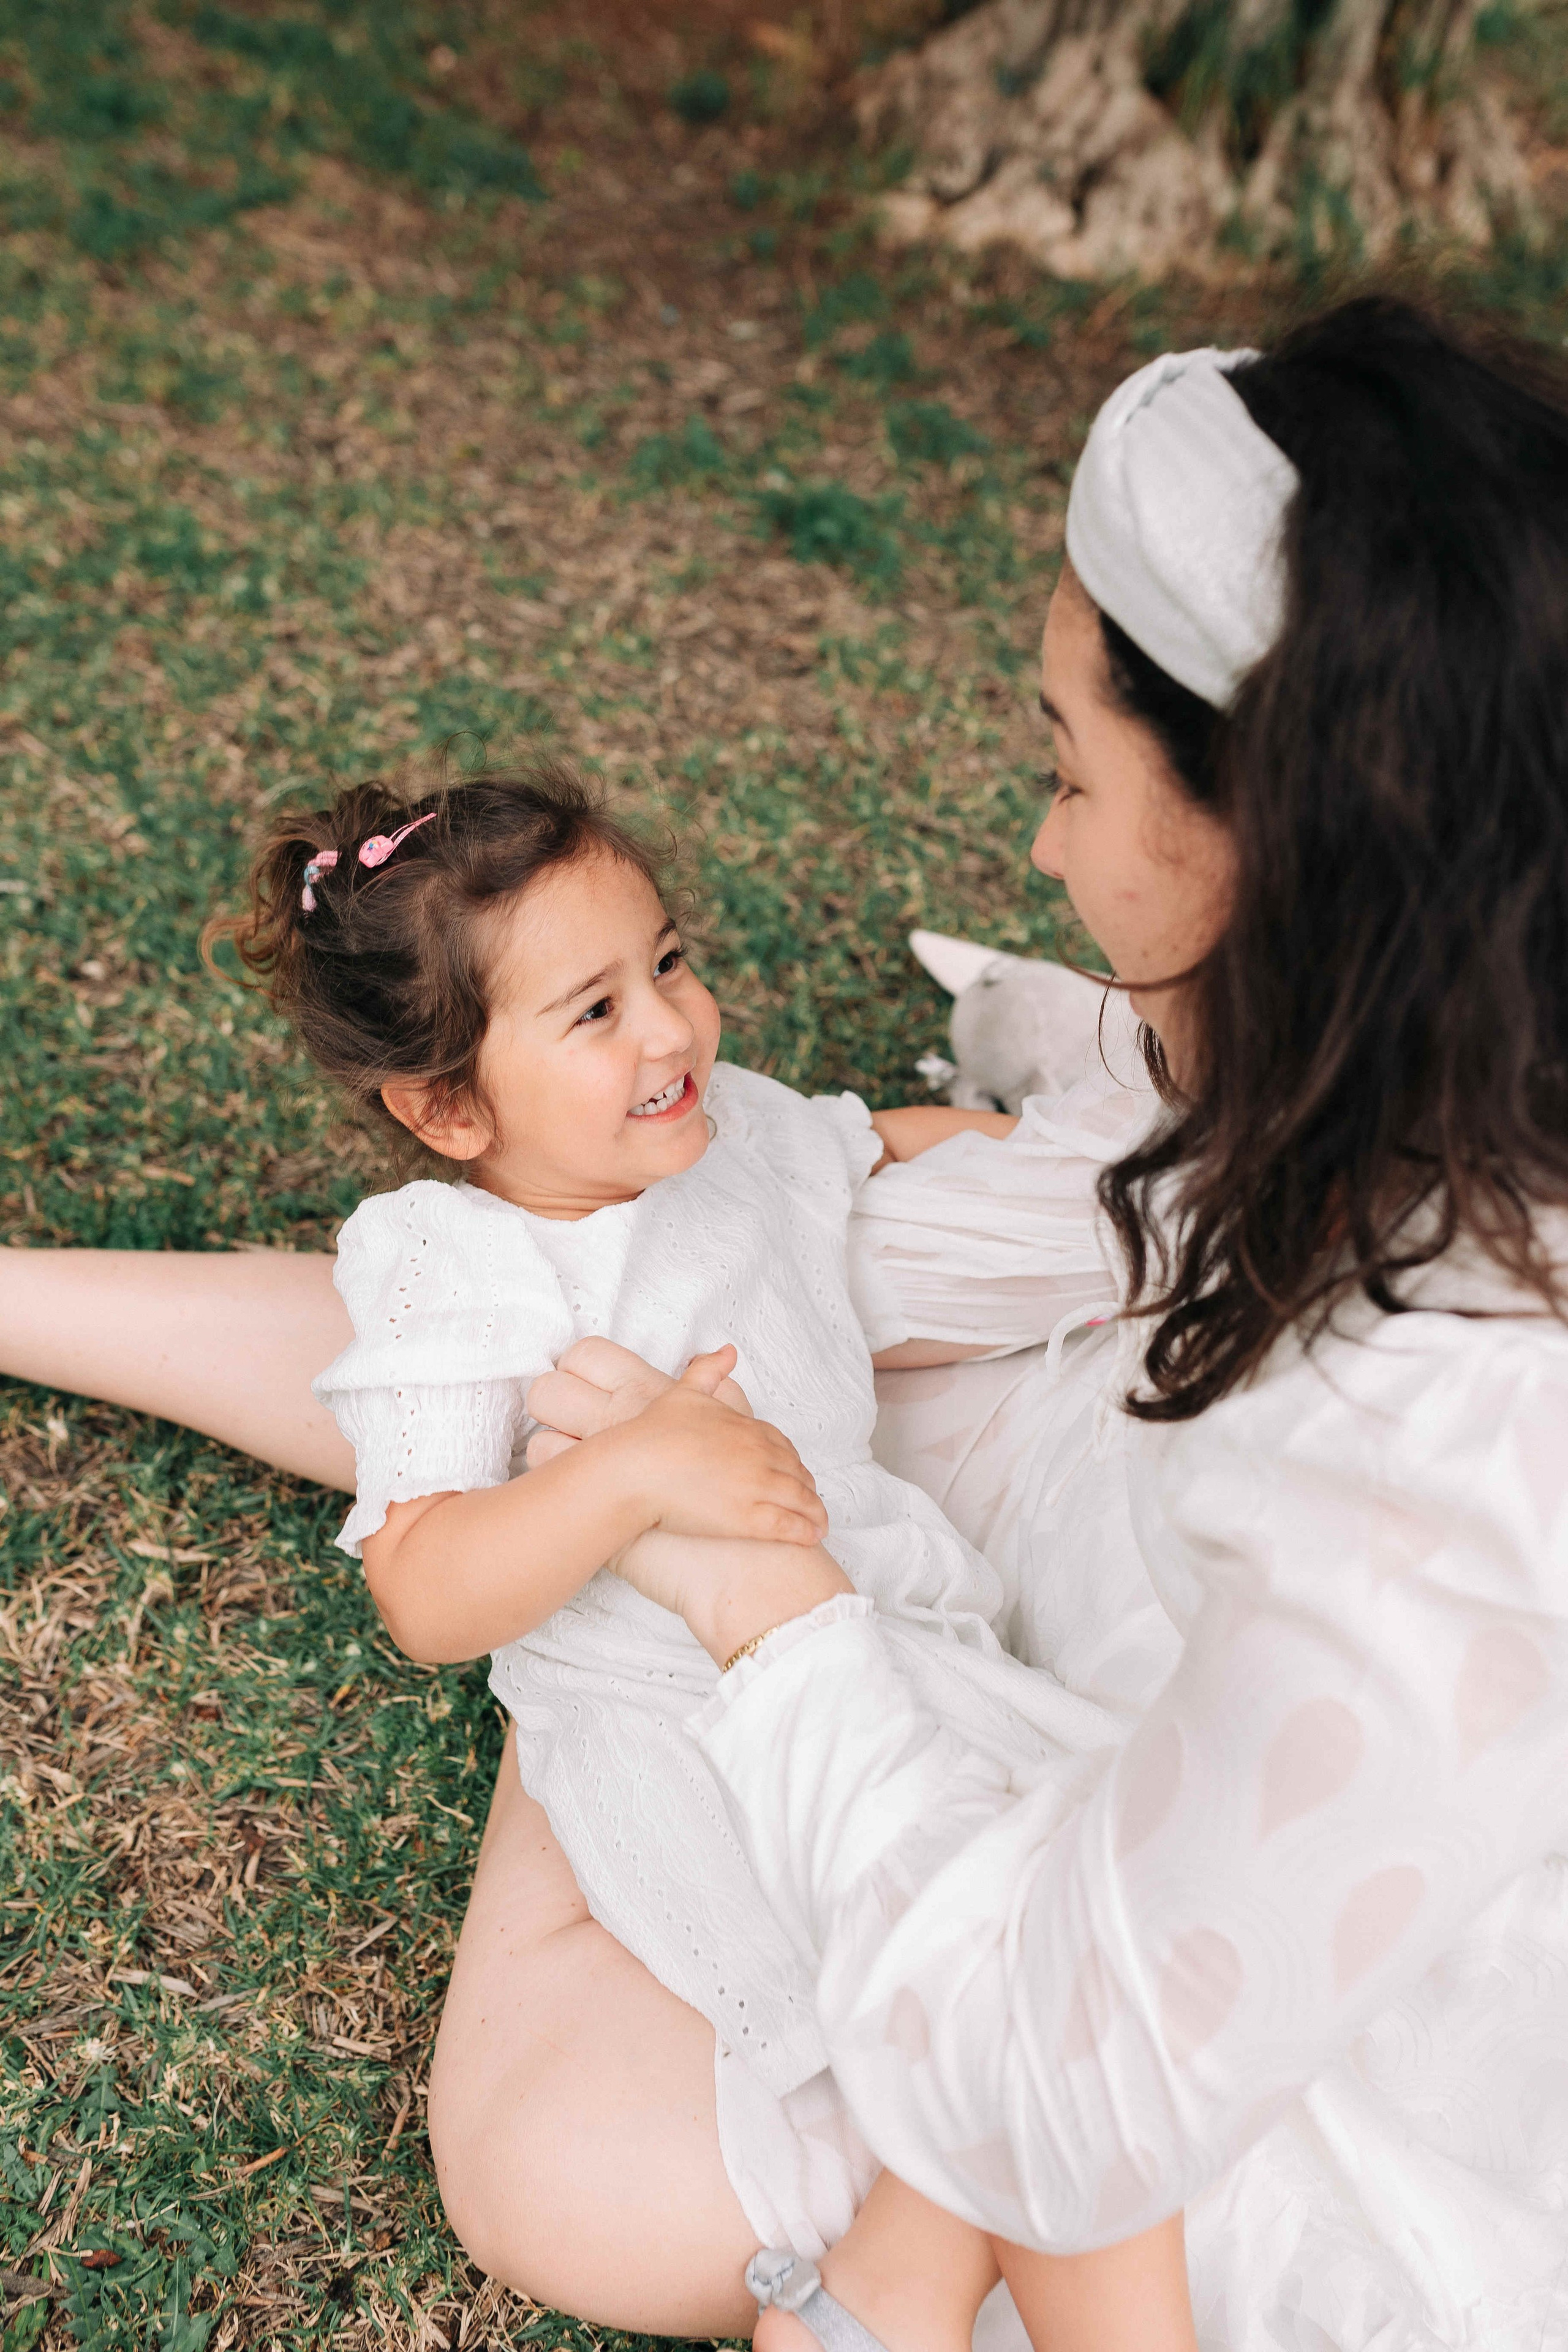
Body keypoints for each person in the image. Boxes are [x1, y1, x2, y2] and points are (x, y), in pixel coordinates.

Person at [3, 290, 1564, 2348]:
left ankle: (880, 2300)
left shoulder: (1430, 1484)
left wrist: (742, 1584)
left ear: (1289, 838)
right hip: (830, 1554)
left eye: (1071, 774)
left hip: (1147, 1888)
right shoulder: (1385, 1089)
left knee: (572, 2148)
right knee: (593, 1319)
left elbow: (1078, 2078)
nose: (1043, 840)